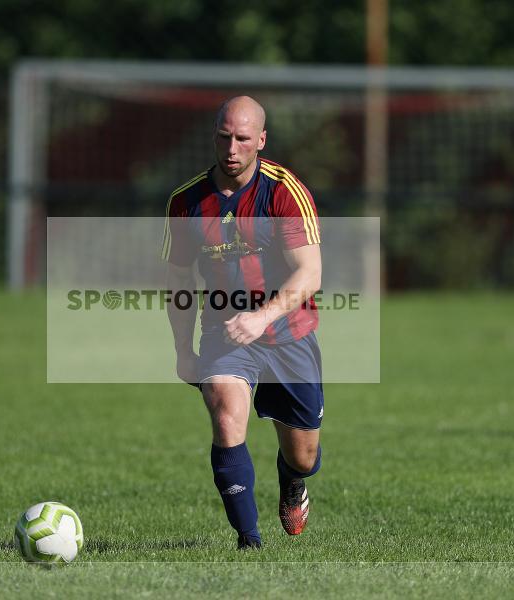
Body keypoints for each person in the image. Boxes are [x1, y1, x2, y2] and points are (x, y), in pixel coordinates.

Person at [162, 96, 323, 549]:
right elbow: (177, 280)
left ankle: (293, 482)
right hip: (224, 332)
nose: (232, 148)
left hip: (289, 334)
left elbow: (309, 273)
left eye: (243, 139)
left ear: (262, 141)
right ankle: (249, 543)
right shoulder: (186, 202)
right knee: (227, 418)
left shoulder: (284, 191)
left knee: (304, 454)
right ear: (214, 135)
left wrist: (264, 316)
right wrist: (181, 350)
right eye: (224, 136)